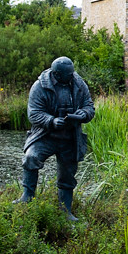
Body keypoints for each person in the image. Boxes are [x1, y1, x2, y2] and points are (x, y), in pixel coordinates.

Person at [13, 56, 95, 221]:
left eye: (72, 73)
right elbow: (34, 114)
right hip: (45, 135)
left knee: (68, 174)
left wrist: (84, 113)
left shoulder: (79, 84)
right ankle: (27, 197)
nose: (72, 76)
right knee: (31, 158)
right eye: (68, 74)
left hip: (70, 137)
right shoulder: (39, 86)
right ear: (56, 74)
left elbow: (89, 106)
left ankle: (65, 210)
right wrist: (51, 121)